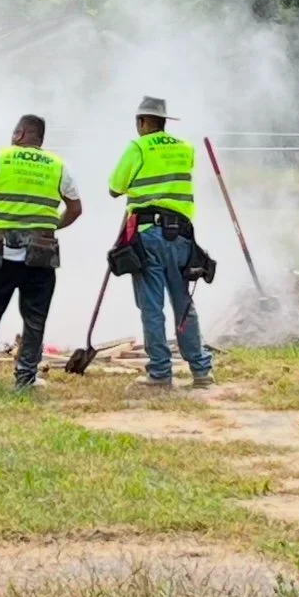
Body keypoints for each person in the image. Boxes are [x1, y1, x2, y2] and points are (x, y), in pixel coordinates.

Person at [0, 114, 82, 389]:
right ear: (40, 139)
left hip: (0, 253)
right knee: (35, 318)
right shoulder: (59, 167)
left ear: (18, 135)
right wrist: (50, 227)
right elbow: (75, 209)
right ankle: (25, 377)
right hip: (40, 255)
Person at [109, 96, 214, 389]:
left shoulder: (137, 147)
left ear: (142, 122)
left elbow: (114, 188)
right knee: (183, 303)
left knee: (152, 306)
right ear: (165, 122)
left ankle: (160, 373)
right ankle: (201, 370)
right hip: (181, 235)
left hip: (148, 235)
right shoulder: (185, 148)